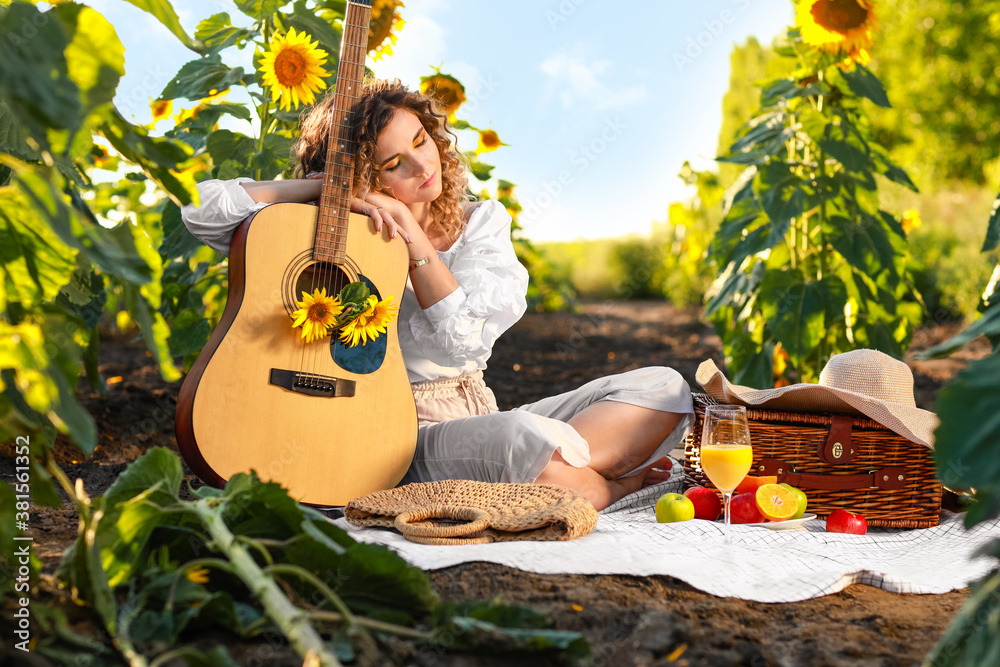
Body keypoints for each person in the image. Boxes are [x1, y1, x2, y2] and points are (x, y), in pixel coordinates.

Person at [181, 78, 694, 511]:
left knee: (665, 387)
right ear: (363, 178)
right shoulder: (339, 233)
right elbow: (202, 211)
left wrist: (411, 230)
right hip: (395, 432)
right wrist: (324, 189)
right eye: (392, 164)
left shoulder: (480, 222)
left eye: (421, 140)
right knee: (522, 438)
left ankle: (557, 476)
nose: (421, 166)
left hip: (480, 415)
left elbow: (465, 345)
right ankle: (609, 486)